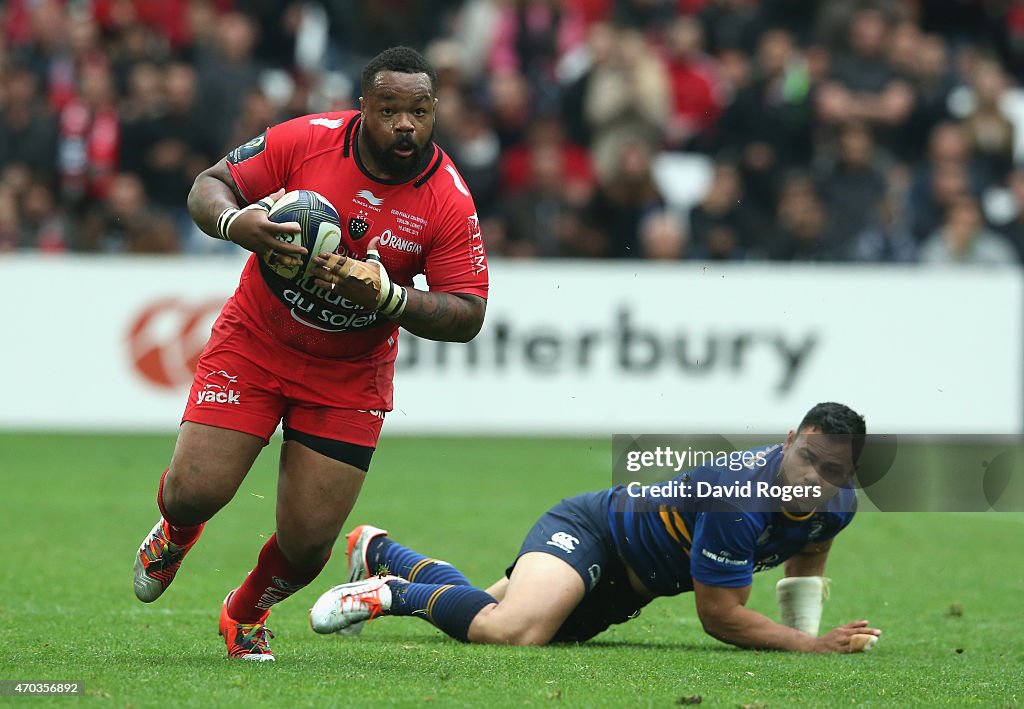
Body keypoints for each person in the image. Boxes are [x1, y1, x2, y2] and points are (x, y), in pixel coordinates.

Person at [132, 46, 489, 662]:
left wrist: (388, 296)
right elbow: (208, 185)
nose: (406, 124)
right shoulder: (309, 140)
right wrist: (233, 224)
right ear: (362, 110)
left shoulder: (447, 200)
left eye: (420, 111)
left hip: (349, 377)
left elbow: (469, 313)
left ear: (435, 112)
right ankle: (176, 531)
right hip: (257, 343)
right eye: (389, 110)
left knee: (307, 546)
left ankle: (245, 612)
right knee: (194, 492)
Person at [310, 403, 882, 652]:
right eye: (806, 458)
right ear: (789, 440)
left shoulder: (838, 504)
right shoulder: (737, 499)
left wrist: (810, 639)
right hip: (595, 532)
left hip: (624, 588)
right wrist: (810, 647)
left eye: (832, 471)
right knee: (515, 632)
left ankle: (381, 550)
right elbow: (720, 617)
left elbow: (810, 550)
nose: (813, 478)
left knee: (477, 611)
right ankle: (389, 593)